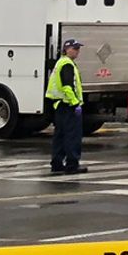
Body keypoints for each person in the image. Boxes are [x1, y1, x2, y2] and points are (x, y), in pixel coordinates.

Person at [46, 37, 87, 176]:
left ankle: (57, 163)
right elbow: (67, 87)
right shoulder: (67, 65)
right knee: (72, 136)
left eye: (78, 49)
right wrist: (75, 103)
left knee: (60, 135)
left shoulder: (61, 62)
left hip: (59, 105)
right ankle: (72, 164)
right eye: (75, 49)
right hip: (68, 106)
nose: (77, 51)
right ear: (66, 49)